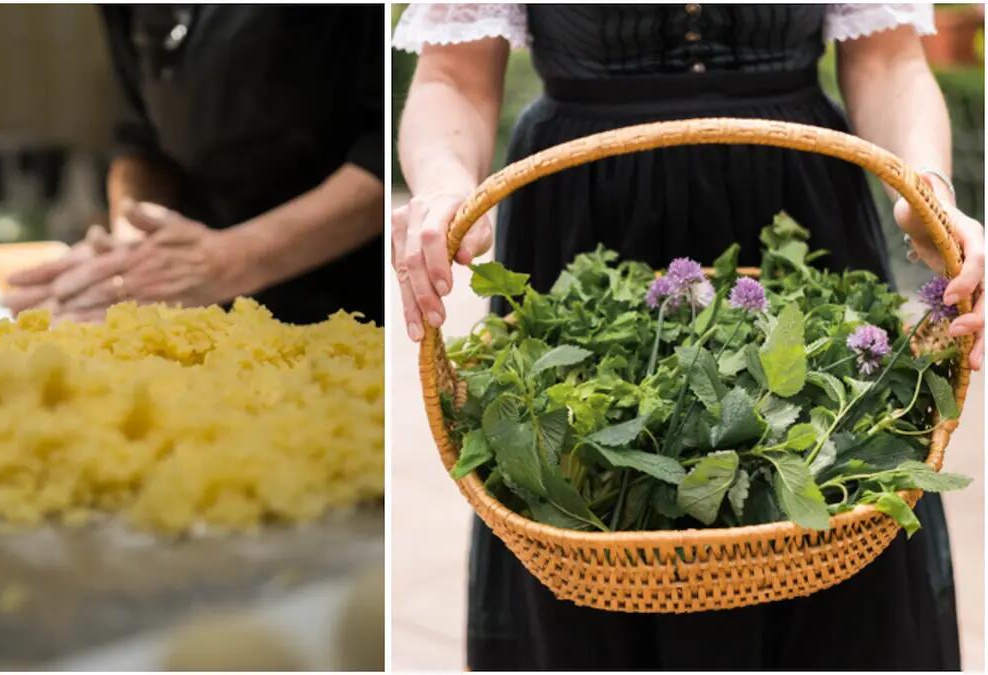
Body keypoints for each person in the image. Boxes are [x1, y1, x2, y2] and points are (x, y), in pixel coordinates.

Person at [393, 3, 984, 670]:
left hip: (795, 197)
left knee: (836, 477)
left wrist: (926, 192)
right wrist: (445, 189)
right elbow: (455, 76)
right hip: (583, 211)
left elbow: (887, 60)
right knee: (583, 485)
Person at [5, 5, 384, 326]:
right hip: (198, 303)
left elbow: (387, 148)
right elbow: (141, 139)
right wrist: (133, 245)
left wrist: (233, 259)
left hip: (352, 304)